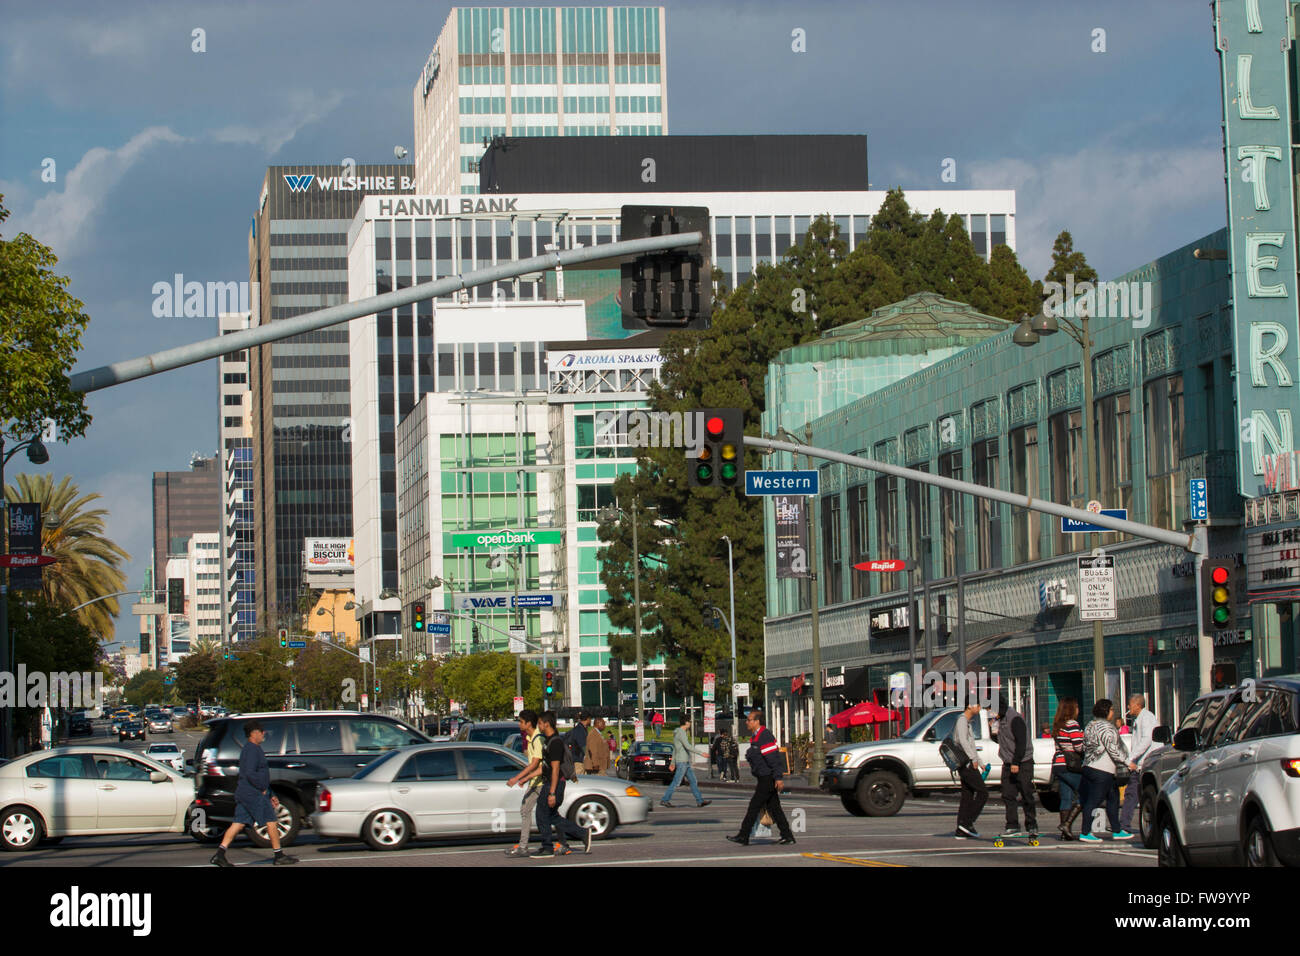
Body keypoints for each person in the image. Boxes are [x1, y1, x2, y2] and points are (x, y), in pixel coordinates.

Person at [210, 721, 298, 866]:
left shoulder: (251, 749)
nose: (264, 734)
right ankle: (279, 855)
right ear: (254, 733)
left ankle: (219, 854)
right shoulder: (252, 750)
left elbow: (257, 774)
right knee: (271, 821)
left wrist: (271, 793)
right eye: (261, 731)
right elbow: (251, 773)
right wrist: (263, 789)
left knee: (237, 824)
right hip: (253, 794)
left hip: (246, 792)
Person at [727, 708, 795, 846]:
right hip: (763, 777)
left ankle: (743, 835)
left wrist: (778, 777)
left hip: (767, 778)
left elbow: (773, 759)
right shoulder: (756, 737)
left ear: (757, 721)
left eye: (749, 720)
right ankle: (787, 836)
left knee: (754, 806)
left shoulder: (765, 736)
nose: (747, 722)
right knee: (775, 808)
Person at [536, 711, 593, 856]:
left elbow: (555, 769)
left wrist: (552, 793)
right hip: (551, 783)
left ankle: (548, 847)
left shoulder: (555, 743)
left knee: (542, 815)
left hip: (554, 785)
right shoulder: (548, 741)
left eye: (540, 723)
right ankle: (582, 833)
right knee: (552, 816)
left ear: (546, 724)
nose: (539, 726)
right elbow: (546, 767)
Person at [1079, 699, 1134, 844]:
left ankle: (1116, 830)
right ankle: (1085, 832)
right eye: (1111, 709)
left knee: (1113, 797)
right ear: (1106, 711)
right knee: (1094, 800)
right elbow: (1113, 749)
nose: (1113, 712)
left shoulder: (1090, 725)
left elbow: (1083, 746)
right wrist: (1128, 763)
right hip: (1102, 770)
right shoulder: (1107, 728)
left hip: (1089, 766)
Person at [504, 709, 545, 857]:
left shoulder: (537, 739)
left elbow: (535, 764)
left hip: (539, 783)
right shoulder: (530, 738)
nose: (519, 724)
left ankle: (523, 846)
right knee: (542, 813)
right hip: (535, 782)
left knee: (527, 810)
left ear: (528, 723)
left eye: (521, 722)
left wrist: (518, 778)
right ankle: (560, 842)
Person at [995, 698, 1037, 838]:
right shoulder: (999, 720)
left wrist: (1016, 762)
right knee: (1008, 794)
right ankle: (1012, 825)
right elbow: (1001, 740)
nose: (990, 713)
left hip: (1023, 761)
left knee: (1026, 793)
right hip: (1007, 762)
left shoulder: (1015, 719)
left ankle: (1031, 824)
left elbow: (1021, 742)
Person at [1117, 694, 1156, 835]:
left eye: (1130, 704)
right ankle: (1125, 825)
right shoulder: (1140, 719)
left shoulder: (1146, 718)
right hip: (1140, 764)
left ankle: (1125, 826)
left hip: (1144, 764)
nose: (1128, 707)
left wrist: (1131, 758)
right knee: (1133, 795)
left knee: (1134, 795)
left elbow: (1147, 740)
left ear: (1138, 704)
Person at [952, 700, 988, 838]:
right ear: (969, 706)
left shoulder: (968, 722)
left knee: (967, 795)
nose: (979, 708)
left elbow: (971, 743)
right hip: (966, 763)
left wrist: (979, 761)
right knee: (983, 793)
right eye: (977, 705)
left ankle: (961, 830)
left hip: (969, 761)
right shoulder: (962, 720)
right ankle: (967, 822)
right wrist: (973, 759)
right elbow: (962, 741)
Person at [661, 713, 712, 808]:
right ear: (686, 722)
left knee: (693, 781)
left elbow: (675, 749)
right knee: (676, 782)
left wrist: (672, 762)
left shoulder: (679, 732)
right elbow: (687, 746)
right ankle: (665, 799)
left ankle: (700, 801)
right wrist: (701, 753)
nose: (690, 723)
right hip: (682, 762)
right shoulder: (681, 733)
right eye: (690, 721)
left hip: (685, 762)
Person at [1050, 697, 1084, 841]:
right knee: (1086, 793)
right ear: (1071, 709)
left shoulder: (1058, 724)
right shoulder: (1072, 724)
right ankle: (1067, 825)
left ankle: (1065, 832)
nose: (1078, 710)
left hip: (1058, 764)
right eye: (1076, 707)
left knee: (1066, 797)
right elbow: (1079, 746)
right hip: (1070, 765)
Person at [566, 711, 590, 776]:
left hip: (577, 760)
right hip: (578, 762)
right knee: (579, 782)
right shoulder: (580, 730)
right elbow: (583, 747)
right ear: (587, 719)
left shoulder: (580, 729)